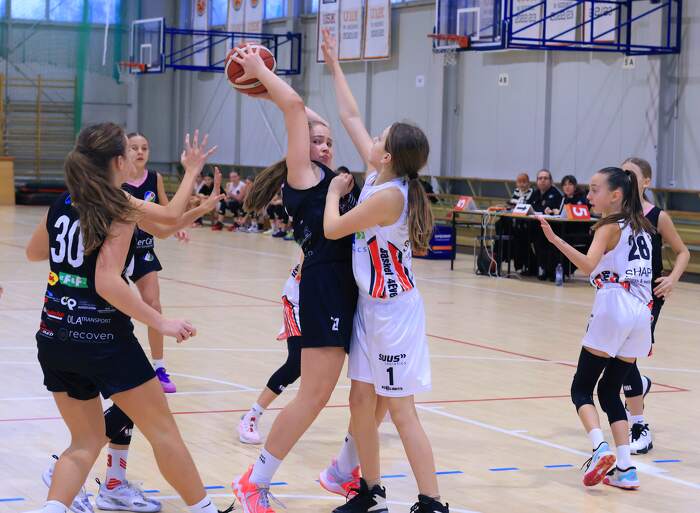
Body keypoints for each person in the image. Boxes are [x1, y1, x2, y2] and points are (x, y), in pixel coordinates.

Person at [24, 123, 228, 513]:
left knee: (84, 442)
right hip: (102, 340)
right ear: (118, 161)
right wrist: (161, 322)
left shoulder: (64, 202)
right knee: (164, 433)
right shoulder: (118, 204)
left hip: (54, 336)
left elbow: (35, 252)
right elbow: (107, 281)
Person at [320, 29, 449, 513]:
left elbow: (333, 228)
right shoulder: (380, 176)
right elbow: (350, 115)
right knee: (359, 403)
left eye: (379, 139)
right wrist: (334, 63)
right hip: (371, 309)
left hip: (395, 315)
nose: (370, 139)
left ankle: (432, 501)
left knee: (400, 410)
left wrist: (334, 193)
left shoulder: (389, 197)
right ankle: (370, 493)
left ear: (389, 155)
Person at [229, 46, 360, 513]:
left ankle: (346, 471)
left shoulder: (331, 176)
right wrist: (262, 74)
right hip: (324, 285)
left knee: (368, 393)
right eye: (315, 140)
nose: (323, 146)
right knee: (313, 395)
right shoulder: (302, 177)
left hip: (352, 288)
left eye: (328, 141)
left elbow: (303, 112)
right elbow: (297, 109)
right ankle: (254, 481)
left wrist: (267, 92)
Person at [538, 167, 655, 490]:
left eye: (594, 189)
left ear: (615, 195)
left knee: (581, 388)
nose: (588, 195)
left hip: (615, 304)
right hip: (641, 313)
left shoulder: (608, 225)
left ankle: (600, 447)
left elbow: (588, 265)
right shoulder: (643, 227)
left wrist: (555, 240)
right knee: (609, 390)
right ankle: (626, 469)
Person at [620, 157, 690, 455]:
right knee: (619, 356)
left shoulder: (657, 216)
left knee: (625, 356)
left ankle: (640, 426)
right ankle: (640, 386)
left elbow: (683, 252)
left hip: (648, 295)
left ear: (646, 181)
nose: (626, 178)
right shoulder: (616, 213)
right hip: (620, 293)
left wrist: (672, 278)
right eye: (622, 173)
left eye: (631, 174)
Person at [123, 132, 182, 393]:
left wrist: (177, 227)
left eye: (144, 148)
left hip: (143, 249)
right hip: (117, 252)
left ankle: (159, 368)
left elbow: (168, 211)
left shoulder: (155, 178)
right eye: (134, 147)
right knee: (114, 310)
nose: (139, 152)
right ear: (124, 152)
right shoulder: (115, 180)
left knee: (154, 306)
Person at [529, 169, 564, 280]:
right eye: (540, 178)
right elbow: (529, 206)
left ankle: (551, 271)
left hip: (554, 227)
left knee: (545, 243)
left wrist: (542, 210)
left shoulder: (556, 193)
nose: (542, 180)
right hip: (538, 225)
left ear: (551, 181)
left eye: (545, 178)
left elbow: (551, 209)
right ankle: (538, 268)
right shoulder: (535, 193)